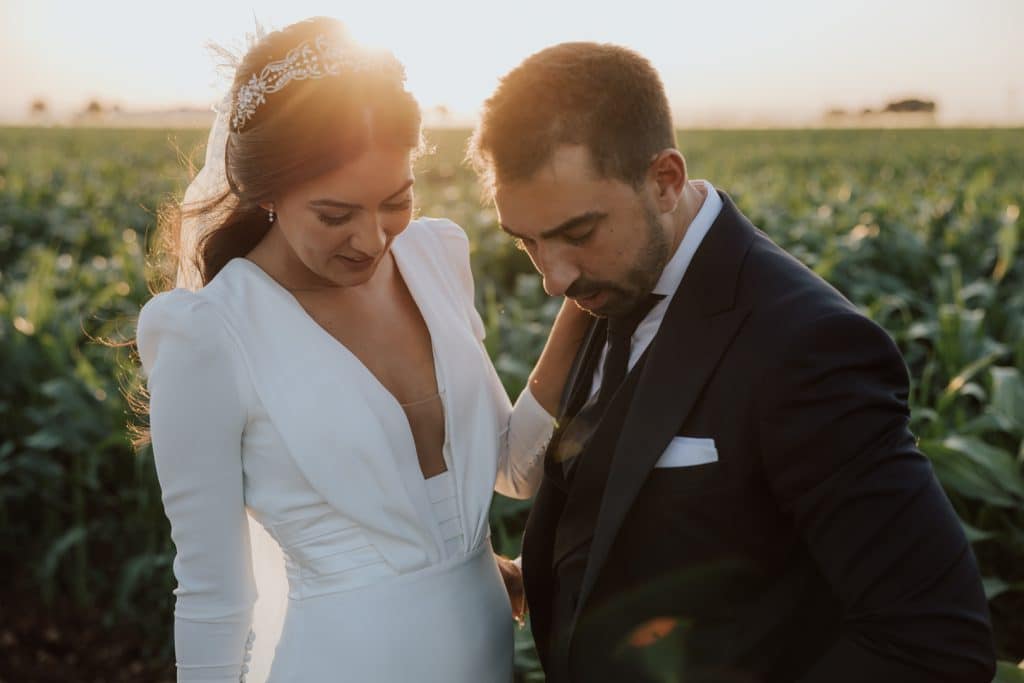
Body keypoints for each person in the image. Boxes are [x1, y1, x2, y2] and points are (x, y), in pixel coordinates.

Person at [468, 42, 997, 682]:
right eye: (527, 241)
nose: (553, 278)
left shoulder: (807, 348)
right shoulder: (607, 286)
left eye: (578, 233)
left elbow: (933, 640)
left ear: (664, 179)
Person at [135, 18, 586, 682]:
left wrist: (583, 300)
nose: (372, 240)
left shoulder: (435, 256)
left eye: (394, 201)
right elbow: (213, 594)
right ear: (267, 192)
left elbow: (514, 469)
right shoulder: (207, 332)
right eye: (334, 214)